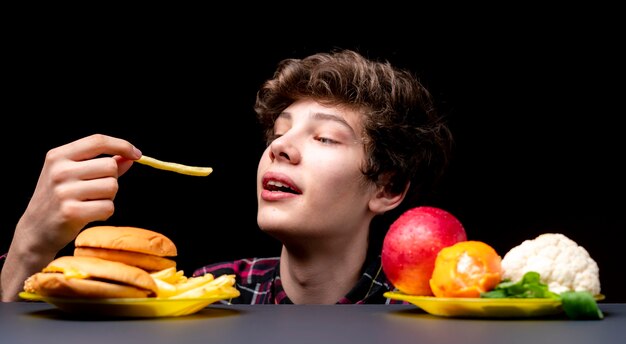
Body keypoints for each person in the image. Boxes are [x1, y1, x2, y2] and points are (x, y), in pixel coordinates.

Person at [0, 49, 453, 304]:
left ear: (387, 187)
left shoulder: (418, 314)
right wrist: (30, 247)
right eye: (279, 132)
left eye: (326, 139)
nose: (280, 147)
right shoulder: (208, 297)